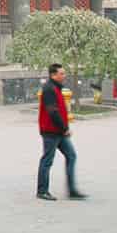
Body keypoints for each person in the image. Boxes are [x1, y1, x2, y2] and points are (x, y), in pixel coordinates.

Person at [37, 63, 85, 201]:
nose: (64, 76)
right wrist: (64, 129)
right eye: (61, 73)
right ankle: (42, 190)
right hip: (51, 131)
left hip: (58, 131)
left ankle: (72, 190)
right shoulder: (49, 89)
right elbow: (52, 112)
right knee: (47, 160)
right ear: (53, 75)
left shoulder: (56, 87)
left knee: (71, 155)